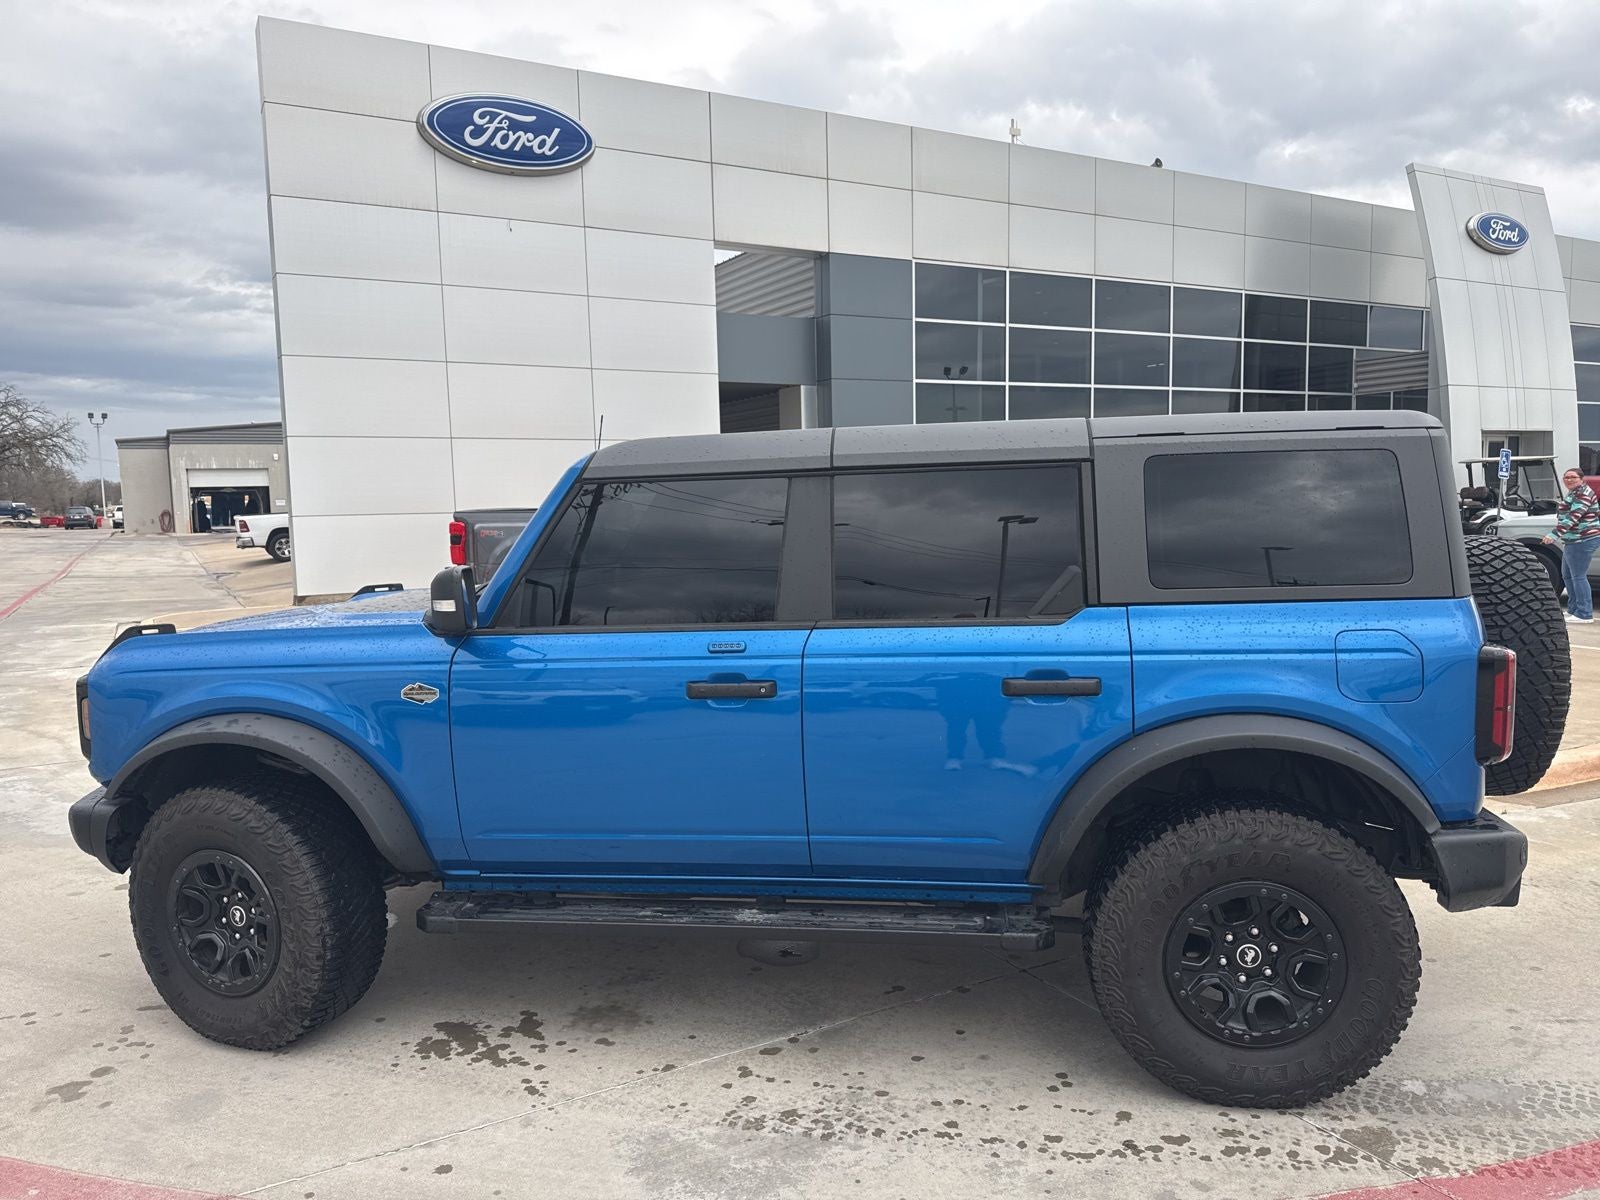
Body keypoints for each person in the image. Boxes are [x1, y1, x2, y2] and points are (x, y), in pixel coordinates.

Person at [1542, 467, 1600, 623]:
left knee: (1578, 576)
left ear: (1581, 479)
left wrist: (1553, 535)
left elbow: (1573, 517)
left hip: (1583, 539)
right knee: (1567, 575)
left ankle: (1584, 613)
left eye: (1573, 477)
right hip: (1573, 540)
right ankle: (1574, 609)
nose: (1569, 480)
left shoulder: (1583, 494)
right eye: (1566, 477)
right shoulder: (1574, 492)